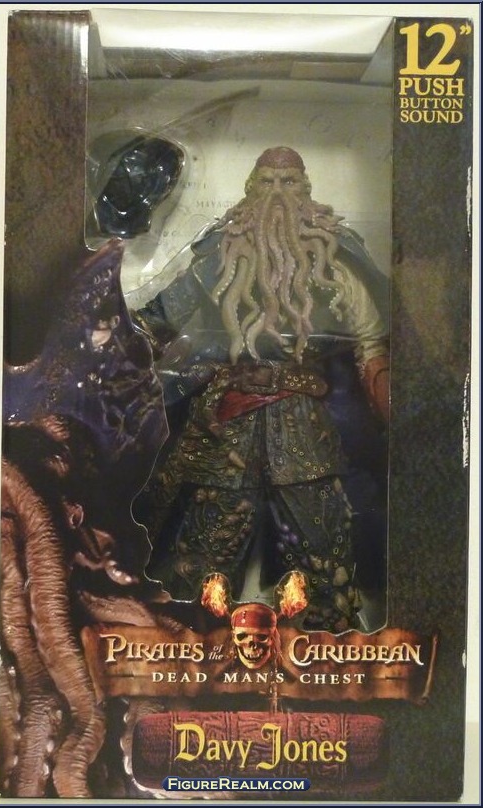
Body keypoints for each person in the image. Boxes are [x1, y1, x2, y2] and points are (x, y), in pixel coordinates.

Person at [134, 146, 389, 632]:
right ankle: (190, 635)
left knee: (322, 546)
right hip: (228, 422)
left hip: (303, 426)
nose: (277, 195)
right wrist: (114, 346)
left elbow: (371, 340)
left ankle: (324, 637)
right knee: (205, 546)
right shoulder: (219, 256)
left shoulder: (334, 261)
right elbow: (158, 320)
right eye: (267, 182)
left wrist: (389, 402)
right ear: (251, 190)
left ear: (305, 191)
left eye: (288, 183)